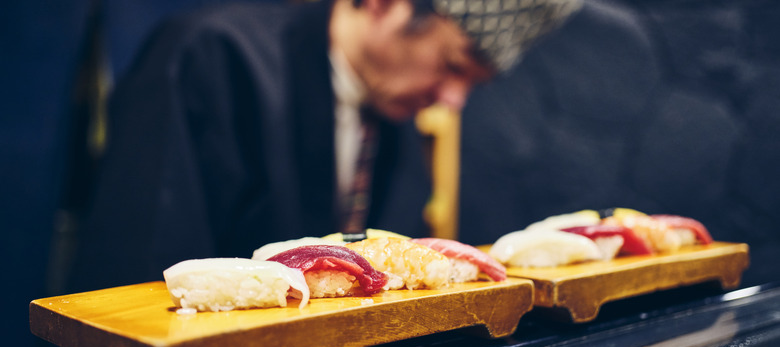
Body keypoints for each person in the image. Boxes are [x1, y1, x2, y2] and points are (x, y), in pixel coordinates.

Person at [66, 0, 581, 292]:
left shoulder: (393, 113)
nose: (453, 99)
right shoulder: (213, 56)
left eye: (472, 84)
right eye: (452, 65)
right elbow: (136, 269)